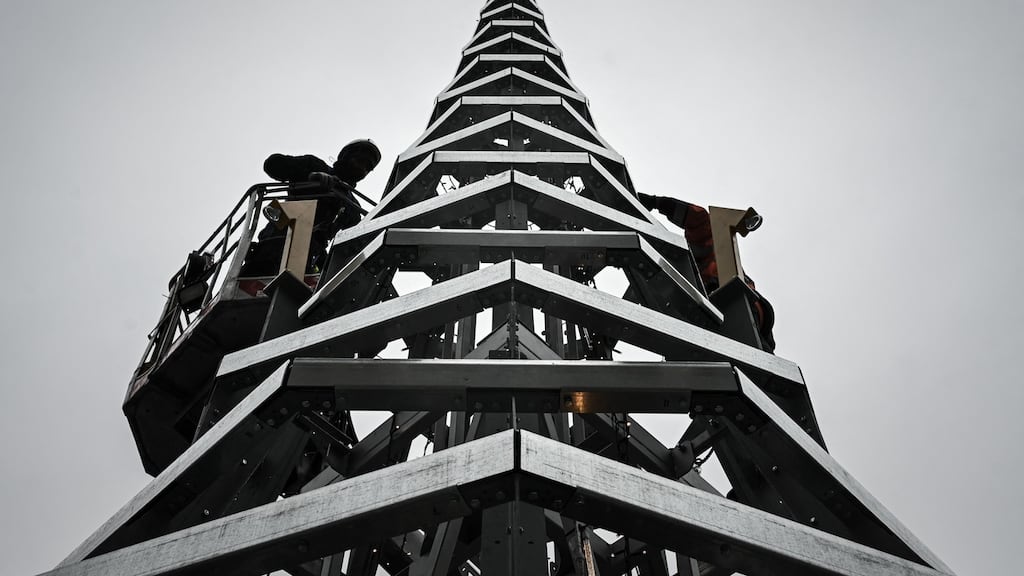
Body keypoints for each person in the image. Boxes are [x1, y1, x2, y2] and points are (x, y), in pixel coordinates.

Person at [637, 193, 776, 352]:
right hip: (740, 312)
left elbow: (698, 217)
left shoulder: (709, 245)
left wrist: (657, 202)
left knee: (754, 354)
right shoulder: (690, 268)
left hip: (733, 302)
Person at [241, 139, 382, 276]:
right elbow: (272, 164)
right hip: (275, 244)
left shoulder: (352, 207)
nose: (362, 168)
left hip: (309, 260)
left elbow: (351, 246)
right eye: (360, 160)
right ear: (346, 156)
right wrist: (309, 176)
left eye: (367, 167)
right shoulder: (315, 165)